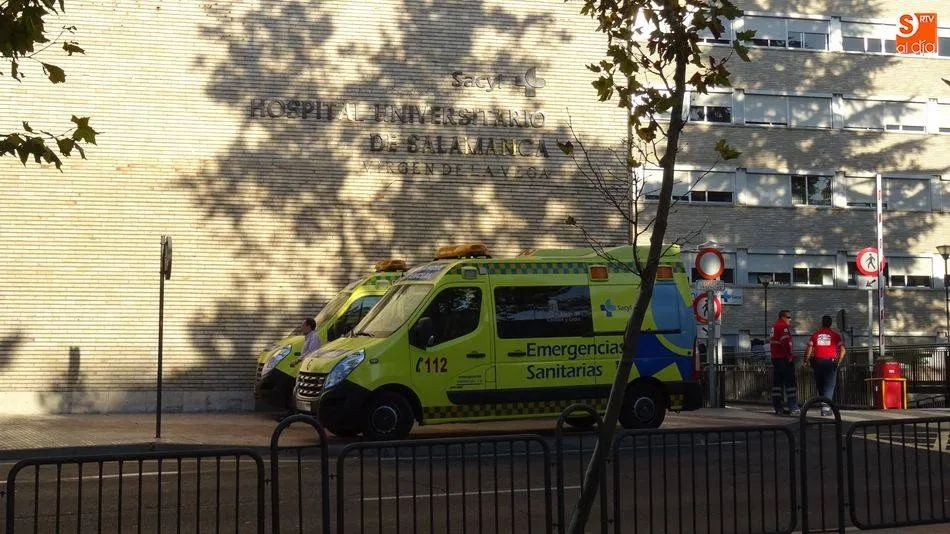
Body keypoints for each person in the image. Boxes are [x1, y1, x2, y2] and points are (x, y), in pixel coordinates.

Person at [804, 315, 846, 417]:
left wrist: (805, 361)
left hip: (817, 362)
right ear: (830, 324)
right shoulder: (835, 336)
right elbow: (843, 350)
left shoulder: (815, 335)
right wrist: (838, 362)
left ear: (822, 323)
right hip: (830, 363)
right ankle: (825, 409)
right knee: (829, 385)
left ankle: (824, 404)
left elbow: (809, 349)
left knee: (820, 384)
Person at [770, 310, 800, 416]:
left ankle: (778, 407)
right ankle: (793, 407)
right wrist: (790, 356)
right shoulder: (783, 326)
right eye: (788, 317)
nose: (790, 319)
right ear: (782, 317)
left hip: (776, 359)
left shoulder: (774, 326)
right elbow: (786, 343)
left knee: (777, 384)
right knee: (790, 383)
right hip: (784, 358)